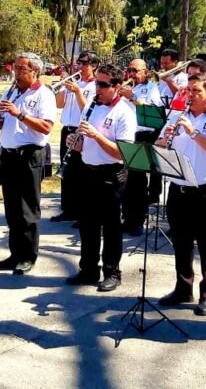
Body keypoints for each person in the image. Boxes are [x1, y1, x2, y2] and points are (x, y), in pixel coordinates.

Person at [156, 73, 206, 317]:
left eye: (197, 91)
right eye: (189, 90)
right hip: (179, 188)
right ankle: (183, 287)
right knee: (181, 242)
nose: (191, 95)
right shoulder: (177, 116)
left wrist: (194, 133)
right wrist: (164, 139)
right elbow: (158, 146)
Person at [65, 64, 136, 291]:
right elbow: (85, 143)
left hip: (111, 174)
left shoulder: (124, 112)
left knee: (111, 226)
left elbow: (122, 153)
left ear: (116, 86)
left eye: (103, 85)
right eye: (97, 83)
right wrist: (75, 144)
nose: (98, 89)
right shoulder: (92, 107)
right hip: (88, 171)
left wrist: (96, 136)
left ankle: (112, 272)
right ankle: (88, 269)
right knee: (87, 224)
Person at [0, 53, 56, 275]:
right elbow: (5, 123)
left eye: (21, 69)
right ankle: (15, 253)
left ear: (34, 71)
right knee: (11, 208)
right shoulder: (12, 91)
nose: (16, 73)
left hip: (30, 154)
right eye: (15, 68)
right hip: (9, 154)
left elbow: (46, 127)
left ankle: (28, 255)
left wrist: (19, 114)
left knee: (27, 208)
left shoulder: (43, 94)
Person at [117, 58, 163, 236]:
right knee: (126, 181)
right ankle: (127, 218)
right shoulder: (126, 86)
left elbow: (155, 113)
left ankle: (138, 221)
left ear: (146, 72)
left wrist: (133, 98)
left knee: (138, 180)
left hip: (143, 135)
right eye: (130, 70)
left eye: (136, 70)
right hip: (126, 134)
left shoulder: (151, 88)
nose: (132, 74)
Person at [52, 51, 99, 224]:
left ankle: (81, 212)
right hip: (67, 128)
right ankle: (68, 209)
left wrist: (78, 92)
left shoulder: (95, 86)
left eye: (84, 63)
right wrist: (63, 88)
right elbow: (59, 104)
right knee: (67, 172)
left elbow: (88, 110)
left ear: (94, 65)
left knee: (81, 172)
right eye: (79, 62)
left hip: (82, 130)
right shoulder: (74, 82)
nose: (80, 66)